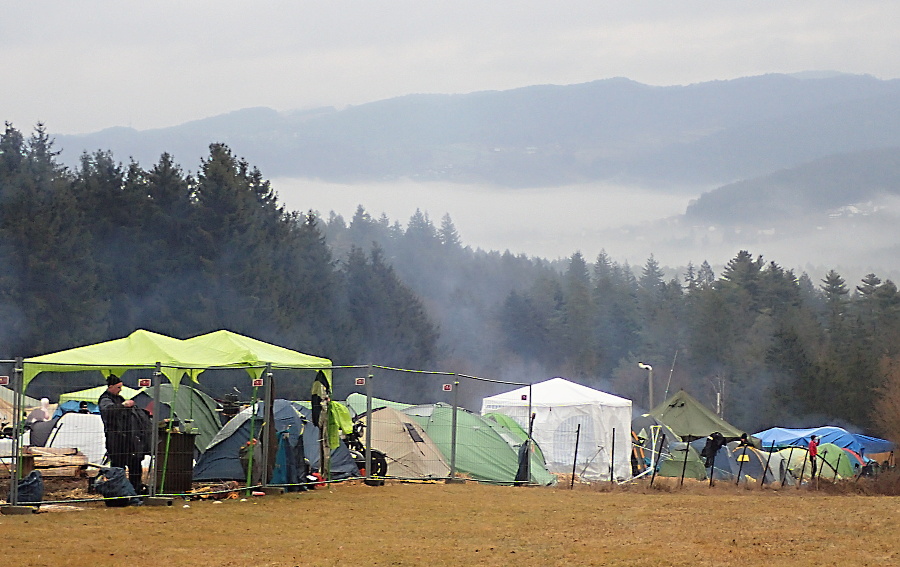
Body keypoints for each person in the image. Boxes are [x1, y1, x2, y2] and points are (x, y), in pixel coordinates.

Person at [98, 375, 151, 493]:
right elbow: (109, 411)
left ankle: (135, 489)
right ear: (110, 387)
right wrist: (123, 406)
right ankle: (119, 490)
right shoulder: (105, 399)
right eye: (118, 387)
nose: (120, 390)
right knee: (118, 466)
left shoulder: (119, 398)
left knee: (135, 464)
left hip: (129, 439)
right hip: (115, 439)